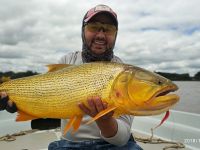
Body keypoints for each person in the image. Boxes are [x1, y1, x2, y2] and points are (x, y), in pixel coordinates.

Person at [0, 4, 143, 150]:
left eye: (109, 29)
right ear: (83, 31)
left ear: (116, 35)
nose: (100, 35)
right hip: (69, 144)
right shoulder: (68, 60)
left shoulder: (124, 73)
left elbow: (121, 139)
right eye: (94, 27)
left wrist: (105, 120)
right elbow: (42, 95)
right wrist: (16, 104)